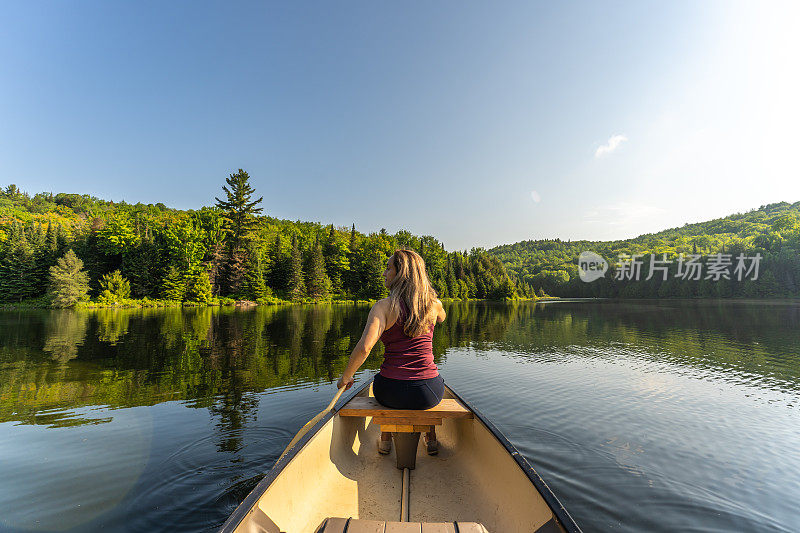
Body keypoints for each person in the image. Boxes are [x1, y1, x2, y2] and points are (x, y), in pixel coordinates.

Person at [337, 248, 446, 455]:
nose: (384, 273)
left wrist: (346, 377)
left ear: (402, 273)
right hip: (428, 393)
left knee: (383, 382)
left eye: (388, 268)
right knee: (434, 378)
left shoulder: (383, 307)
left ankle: (386, 439)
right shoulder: (434, 305)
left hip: (390, 392)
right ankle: (430, 437)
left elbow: (365, 347)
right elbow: (442, 318)